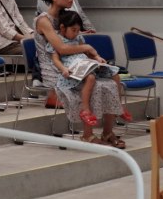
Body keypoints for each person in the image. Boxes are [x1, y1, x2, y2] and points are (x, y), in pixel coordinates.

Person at [35, 0, 123, 147]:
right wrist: (86, 47)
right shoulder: (43, 20)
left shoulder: (67, 17)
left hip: (75, 62)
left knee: (113, 79)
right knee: (94, 83)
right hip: (55, 67)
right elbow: (61, 48)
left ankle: (108, 131)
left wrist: (88, 49)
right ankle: (87, 135)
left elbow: (73, 41)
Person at [50, 10, 129, 141]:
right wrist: (63, 69)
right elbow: (55, 59)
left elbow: (89, 53)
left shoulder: (78, 38)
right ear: (63, 28)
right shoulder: (57, 41)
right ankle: (85, 109)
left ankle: (118, 107)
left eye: (78, 30)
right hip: (71, 70)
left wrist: (97, 58)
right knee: (91, 79)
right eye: (73, 30)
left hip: (85, 65)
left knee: (115, 74)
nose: (76, 33)